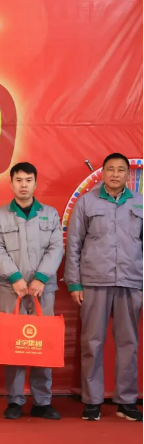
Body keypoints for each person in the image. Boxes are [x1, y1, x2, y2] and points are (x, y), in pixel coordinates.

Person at [65, 153, 143, 422]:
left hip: (131, 281)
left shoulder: (140, 202)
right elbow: (73, 244)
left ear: (128, 174)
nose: (115, 174)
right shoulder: (87, 202)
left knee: (129, 343)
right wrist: (74, 282)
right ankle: (92, 401)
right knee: (92, 343)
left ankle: (127, 401)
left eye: (121, 170)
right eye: (110, 169)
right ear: (102, 172)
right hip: (94, 282)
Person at [0, 162, 63, 420]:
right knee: (13, 343)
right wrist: (15, 278)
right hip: (11, 289)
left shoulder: (50, 214)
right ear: (11, 183)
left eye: (28, 180)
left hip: (44, 289)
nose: (23, 185)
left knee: (43, 343)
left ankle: (43, 401)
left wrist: (41, 278)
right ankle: (15, 400)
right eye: (18, 180)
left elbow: (56, 247)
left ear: (35, 183)